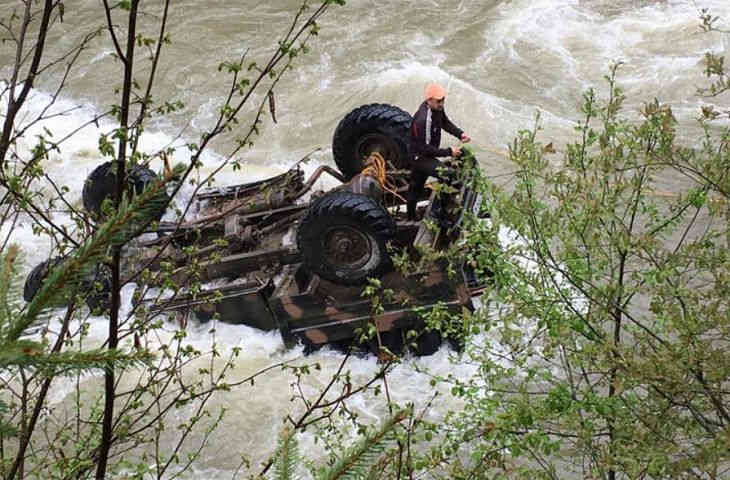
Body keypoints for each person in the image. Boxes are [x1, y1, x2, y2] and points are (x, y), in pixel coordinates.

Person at [407, 83, 471, 221]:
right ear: (429, 100)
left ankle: (413, 216)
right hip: (420, 157)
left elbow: (445, 123)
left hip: (427, 153)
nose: (442, 103)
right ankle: (441, 214)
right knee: (447, 176)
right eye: (439, 101)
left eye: (443, 100)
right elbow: (425, 148)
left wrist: (460, 134)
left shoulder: (437, 108)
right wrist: (449, 151)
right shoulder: (423, 120)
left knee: (416, 186)